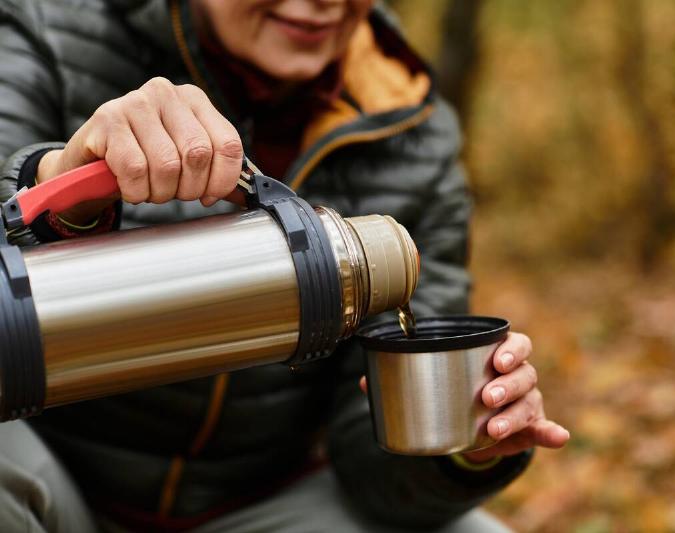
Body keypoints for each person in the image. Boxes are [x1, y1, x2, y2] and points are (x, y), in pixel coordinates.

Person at [0, 1, 570, 531]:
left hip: (255, 505)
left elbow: (371, 452)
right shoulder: (47, 29)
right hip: (53, 486)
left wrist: (463, 441)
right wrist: (55, 186)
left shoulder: (410, 127)